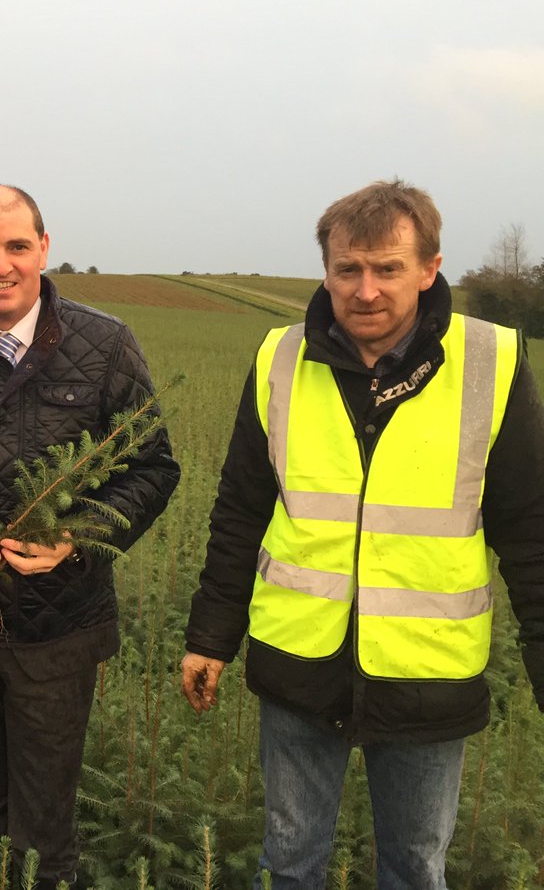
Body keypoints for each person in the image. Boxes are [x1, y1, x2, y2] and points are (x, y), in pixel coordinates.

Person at [181, 180, 544, 888]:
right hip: (297, 665)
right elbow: (239, 512)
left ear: (429, 268)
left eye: (388, 268)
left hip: (426, 678)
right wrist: (209, 638)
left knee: (414, 868)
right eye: (348, 269)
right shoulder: (279, 360)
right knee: (288, 863)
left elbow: (530, 531)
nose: (366, 290)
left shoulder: (492, 364)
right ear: (326, 269)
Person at [0, 184, 180, 888]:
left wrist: (76, 536)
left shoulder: (104, 344)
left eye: (17, 246)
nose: (1, 263)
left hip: (60, 631)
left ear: (44, 250)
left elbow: (152, 466)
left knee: (46, 834)